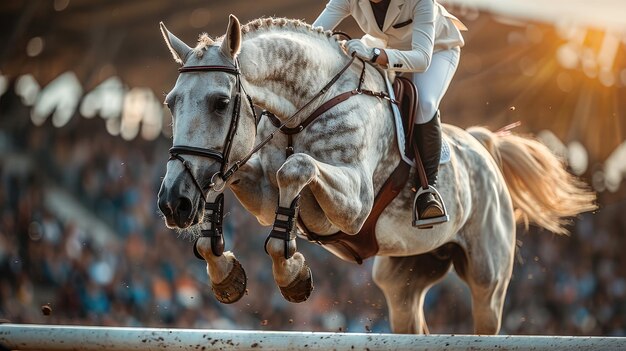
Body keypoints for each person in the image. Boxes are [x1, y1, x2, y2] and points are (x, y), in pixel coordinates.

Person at [313, 0, 466, 227]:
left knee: (424, 102)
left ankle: (427, 191)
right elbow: (314, 33)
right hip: (384, 47)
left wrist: (375, 54)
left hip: (436, 52)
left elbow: (422, 59)